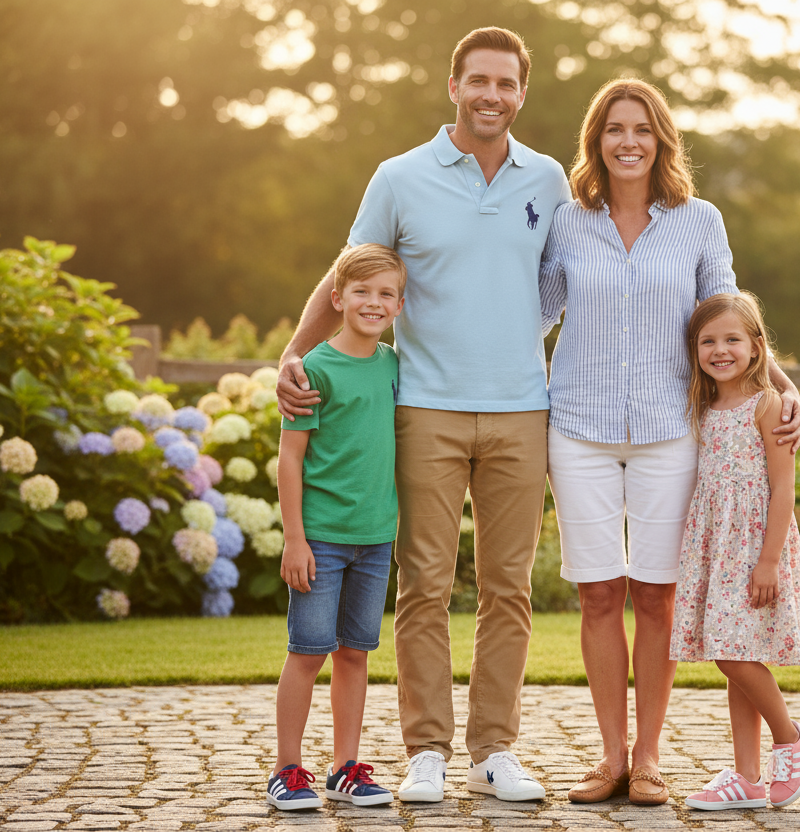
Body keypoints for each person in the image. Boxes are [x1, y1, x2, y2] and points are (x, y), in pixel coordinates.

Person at [275, 27, 571, 803]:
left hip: (521, 410)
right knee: (425, 586)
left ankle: (494, 750)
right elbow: (347, 275)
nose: (491, 95)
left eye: (506, 84)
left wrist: (515, 333)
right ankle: (427, 752)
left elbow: (564, 283)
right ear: (454, 85)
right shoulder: (400, 177)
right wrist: (293, 354)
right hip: (426, 408)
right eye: (479, 80)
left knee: (509, 588)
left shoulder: (547, 180)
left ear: (522, 94)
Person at [538, 79, 800, 805]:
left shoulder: (699, 221)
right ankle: (609, 757)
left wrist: (783, 387)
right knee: (598, 595)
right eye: (614, 129)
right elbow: (530, 317)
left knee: (656, 598)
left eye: (643, 129)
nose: (629, 142)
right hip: (578, 428)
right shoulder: (566, 222)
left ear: (662, 140)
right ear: (596, 141)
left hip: (668, 430)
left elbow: (730, 312)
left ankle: (650, 758)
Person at [267, 244, 405, 811]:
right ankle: (286, 769)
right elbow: (290, 458)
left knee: (355, 651)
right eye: (362, 292)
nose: (373, 303)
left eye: (386, 294)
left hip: (376, 539)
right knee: (308, 651)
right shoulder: (313, 369)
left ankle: (346, 768)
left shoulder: (396, 366)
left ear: (399, 304)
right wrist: (294, 538)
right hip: (321, 538)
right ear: (337, 297)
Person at [671, 292, 800, 811]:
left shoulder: (768, 405)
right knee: (739, 652)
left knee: (732, 652)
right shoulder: (702, 405)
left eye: (732, 339)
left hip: (756, 546)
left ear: (757, 348)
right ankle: (748, 777)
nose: (720, 350)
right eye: (708, 341)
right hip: (717, 546)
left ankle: (789, 737)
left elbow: (783, 489)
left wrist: (769, 560)